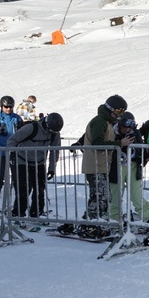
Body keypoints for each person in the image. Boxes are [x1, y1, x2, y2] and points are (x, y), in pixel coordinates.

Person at [59, 95, 128, 239]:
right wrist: (119, 144)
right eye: (117, 112)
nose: (118, 116)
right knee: (100, 197)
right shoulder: (99, 121)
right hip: (95, 165)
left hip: (102, 165)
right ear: (109, 109)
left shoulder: (107, 122)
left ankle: (89, 222)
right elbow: (98, 143)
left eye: (122, 113)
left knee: (103, 196)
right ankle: (90, 224)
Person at [6, 113, 63, 219]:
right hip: (21, 160)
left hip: (39, 162)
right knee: (23, 188)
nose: (50, 133)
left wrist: (51, 169)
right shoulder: (31, 128)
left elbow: (54, 151)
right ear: (46, 125)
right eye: (50, 130)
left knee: (40, 188)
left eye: (53, 132)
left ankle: (36, 213)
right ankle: (18, 213)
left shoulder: (55, 133)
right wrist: (12, 154)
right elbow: (12, 140)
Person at [108, 112, 149, 224]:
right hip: (116, 167)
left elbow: (140, 147)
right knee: (116, 197)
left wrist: (145, 156)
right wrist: (120, 144)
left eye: (129, 128)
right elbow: (108, 147)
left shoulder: (135, 133)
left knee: (136, 195)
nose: (126, 130)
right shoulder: (112, 132)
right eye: (124, 127)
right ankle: (115, 222)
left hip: (133, 166)